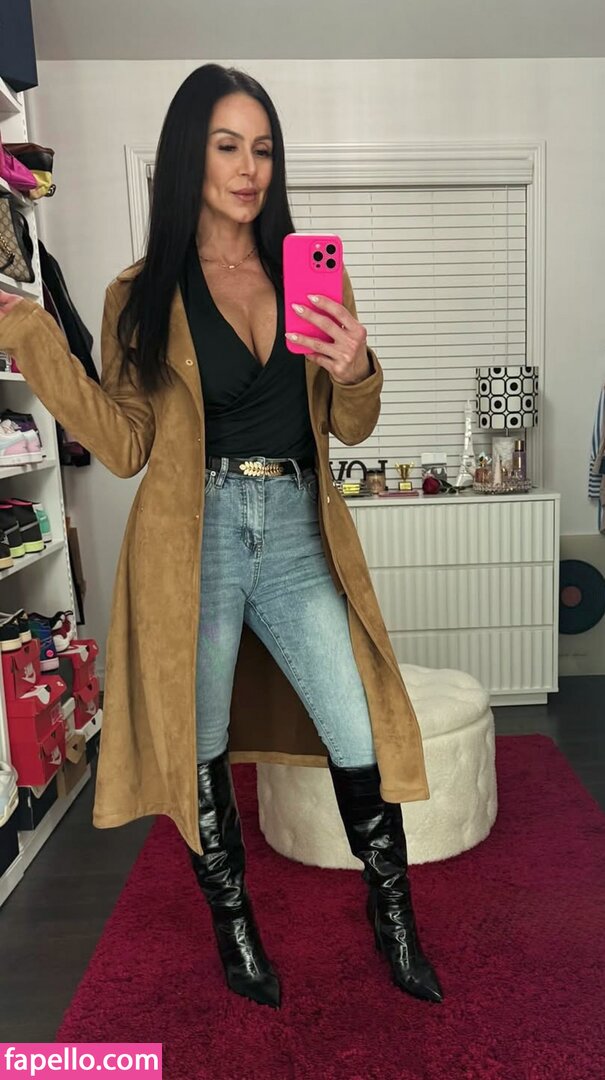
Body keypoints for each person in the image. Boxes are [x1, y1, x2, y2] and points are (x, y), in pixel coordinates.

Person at [0, 64, 443, 1009]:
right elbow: (124, 445)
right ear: (187, 157)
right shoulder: (139, 293)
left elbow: (351, 426)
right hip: (192, 540)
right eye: (227, 146)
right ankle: (233, 925)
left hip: (295, 531)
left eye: (264, 149)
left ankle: (393, 916)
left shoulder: (308, 270)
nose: (249, 169)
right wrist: (37, 342)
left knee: (357, 728)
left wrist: (357, 368)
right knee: (196, 744)